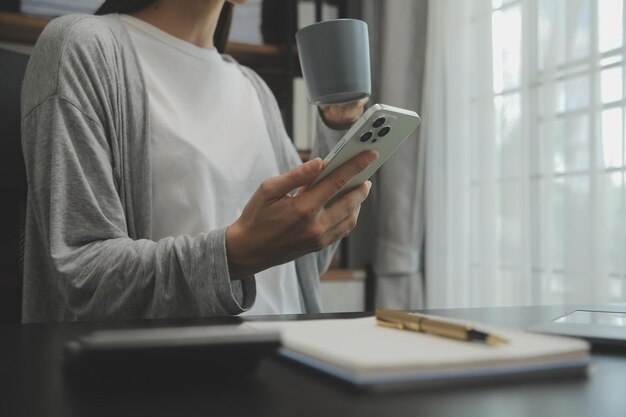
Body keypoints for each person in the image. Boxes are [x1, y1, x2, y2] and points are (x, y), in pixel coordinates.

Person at [20, 0, 376, 322]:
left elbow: (300, 267)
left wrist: (339, 126)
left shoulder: (252, 86)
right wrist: (232, 256)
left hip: (295, 365)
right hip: (177, 382)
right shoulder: (82, 47)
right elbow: (83, 280)